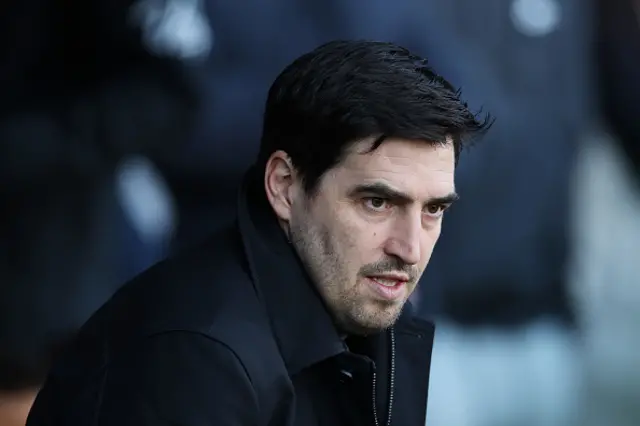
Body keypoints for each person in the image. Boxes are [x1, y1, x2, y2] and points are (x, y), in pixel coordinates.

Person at [26, 40, 490, 426]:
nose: (409, 248)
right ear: (285, 187)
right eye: (377, 202)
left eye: (433, 209)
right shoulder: (191, 355)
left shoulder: (373, 324)